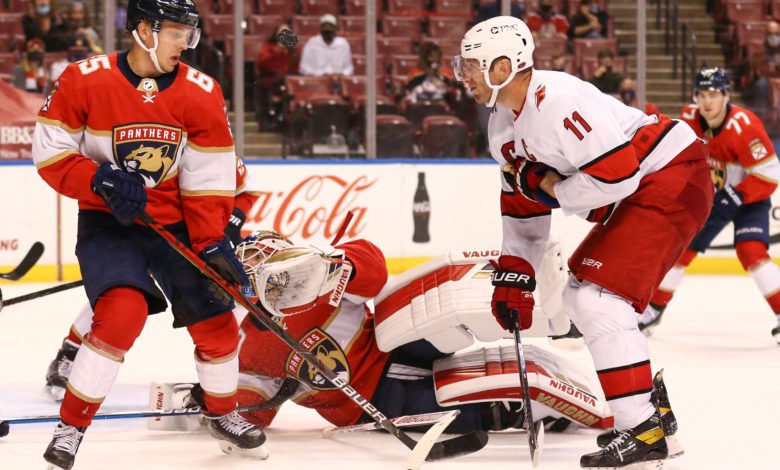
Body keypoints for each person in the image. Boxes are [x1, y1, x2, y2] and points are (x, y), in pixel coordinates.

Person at [455, 16, 713, 468]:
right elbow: (521, 203)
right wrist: (516, 273)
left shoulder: (558, 100)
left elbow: (619, 176)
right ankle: (650, 414)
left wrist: (554, 188)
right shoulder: (502, 127)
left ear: (503, 66)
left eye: (472, 65)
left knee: (598, 300)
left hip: (672, 174)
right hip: (647, 185)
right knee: (580, 297)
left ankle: (643, 428)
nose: (464, 75)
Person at [31, 1, 266, 468]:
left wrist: (212, 241)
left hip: (176, 226)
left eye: (190, 34)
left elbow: (209, 178)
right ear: (143, 29)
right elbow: (50, 151)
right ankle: (71, 426)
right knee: (121, 314)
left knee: (217, 322)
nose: (186, 44)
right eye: (177, 32)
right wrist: (99, 179)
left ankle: (222, 413)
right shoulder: (84, 78)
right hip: (108, 223)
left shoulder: (202, 91)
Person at [155, 232, 624, 438]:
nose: (277, 285)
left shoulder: (317, 273)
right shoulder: (244, 347)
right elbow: (256, 413)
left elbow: (374, 271)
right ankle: (544, 412)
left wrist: (336, 263)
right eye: (262, 278)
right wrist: (217, 401)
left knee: (438, 298)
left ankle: (550, 314)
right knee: (465, 398)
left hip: (392, 340)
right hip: (369, 401)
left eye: (279, 269)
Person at [43, 155, 260, 402]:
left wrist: (231, 220)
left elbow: (247, 187)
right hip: (136, 229)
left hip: (193, 236)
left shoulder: (212, 152)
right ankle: (70, 353)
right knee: (118, 297)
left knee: (220, 303)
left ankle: (225, 375)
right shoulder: (144, 147)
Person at [639, 67, 780, 345]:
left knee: (751, 251)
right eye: (701, 94)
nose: (707, 102)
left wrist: (738, 195)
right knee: (681, 250)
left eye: (713, 94)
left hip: (749, 196)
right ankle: (654, 309)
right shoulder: (690, 117)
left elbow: (770, 174)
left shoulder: (745, 126)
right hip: (713, 198)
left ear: (726, 96)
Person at [256, 23, 298, 131]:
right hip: (271, 81)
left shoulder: (294, 51)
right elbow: (262, 64)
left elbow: (296, 68)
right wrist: (278, 50)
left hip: (288, 82)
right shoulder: (269, 48)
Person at [299, 14, 353, 79]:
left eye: (331, 26)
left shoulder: (343, 44)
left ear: (335, 28)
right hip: (317, 80)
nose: (328, 28)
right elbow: (303, 68)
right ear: (320, 28)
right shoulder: (312, 43)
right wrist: (320, 74)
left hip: (338, 80)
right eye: (324, 26)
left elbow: (349, 68)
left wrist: (341, 74)